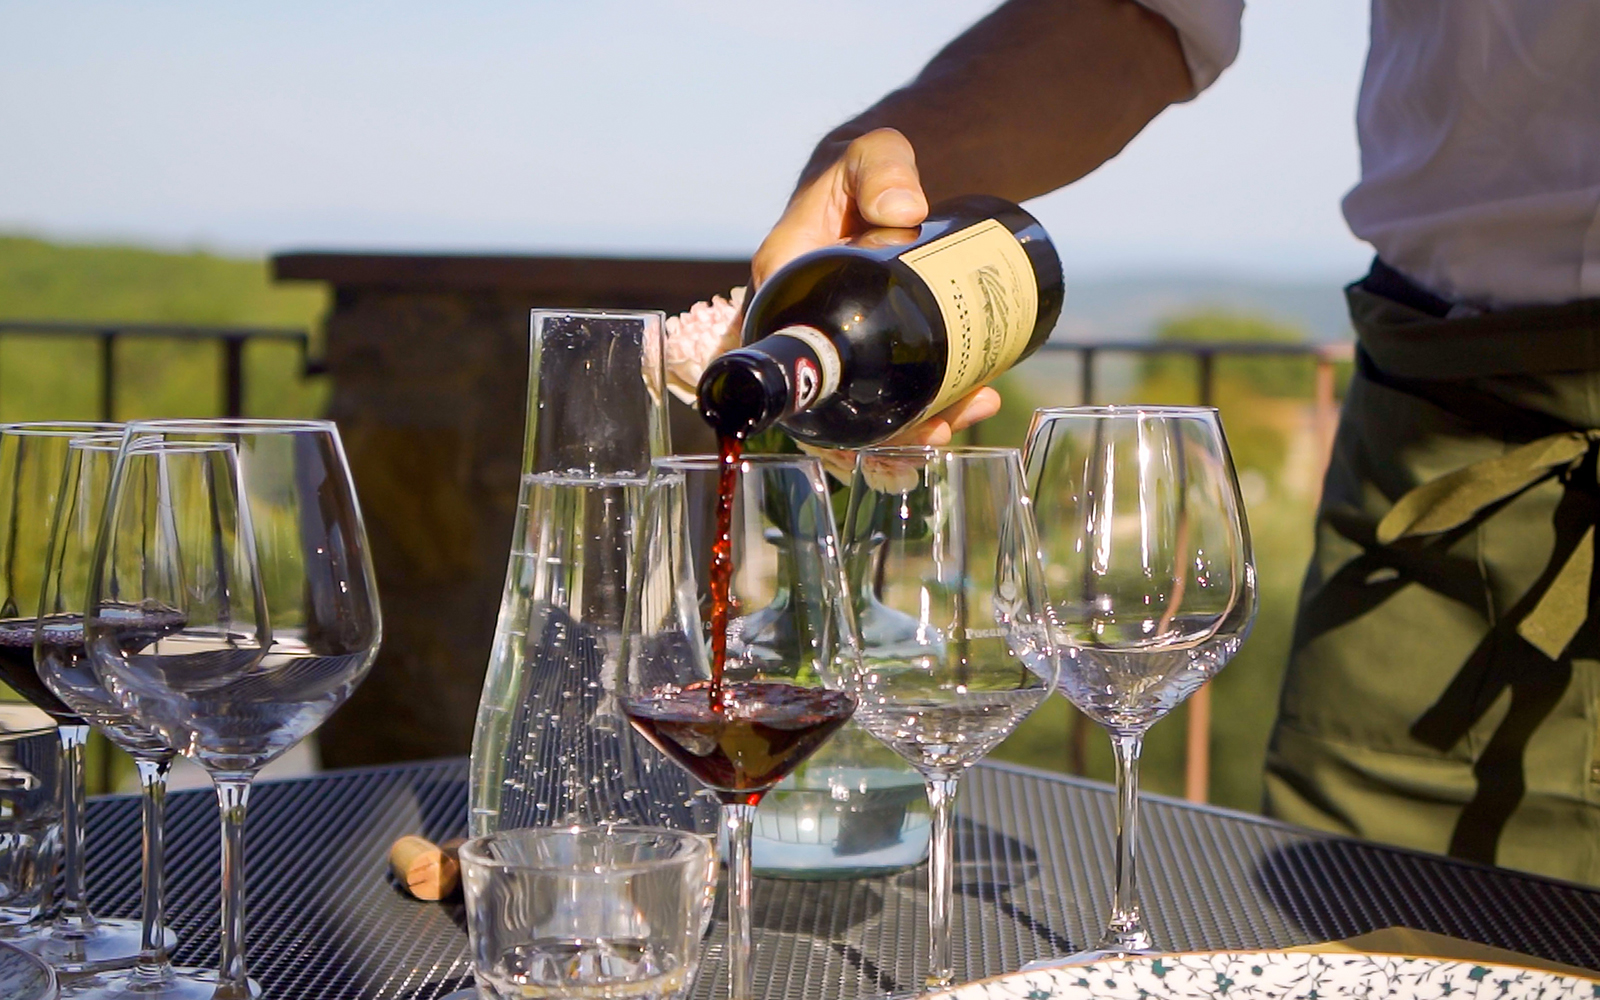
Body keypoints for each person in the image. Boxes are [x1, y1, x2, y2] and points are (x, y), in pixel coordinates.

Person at [740, 0, 1600, 885]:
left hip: (1446, 433)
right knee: (1359, 915)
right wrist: (866, 170)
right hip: (1439, 465)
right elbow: (1143, 16)